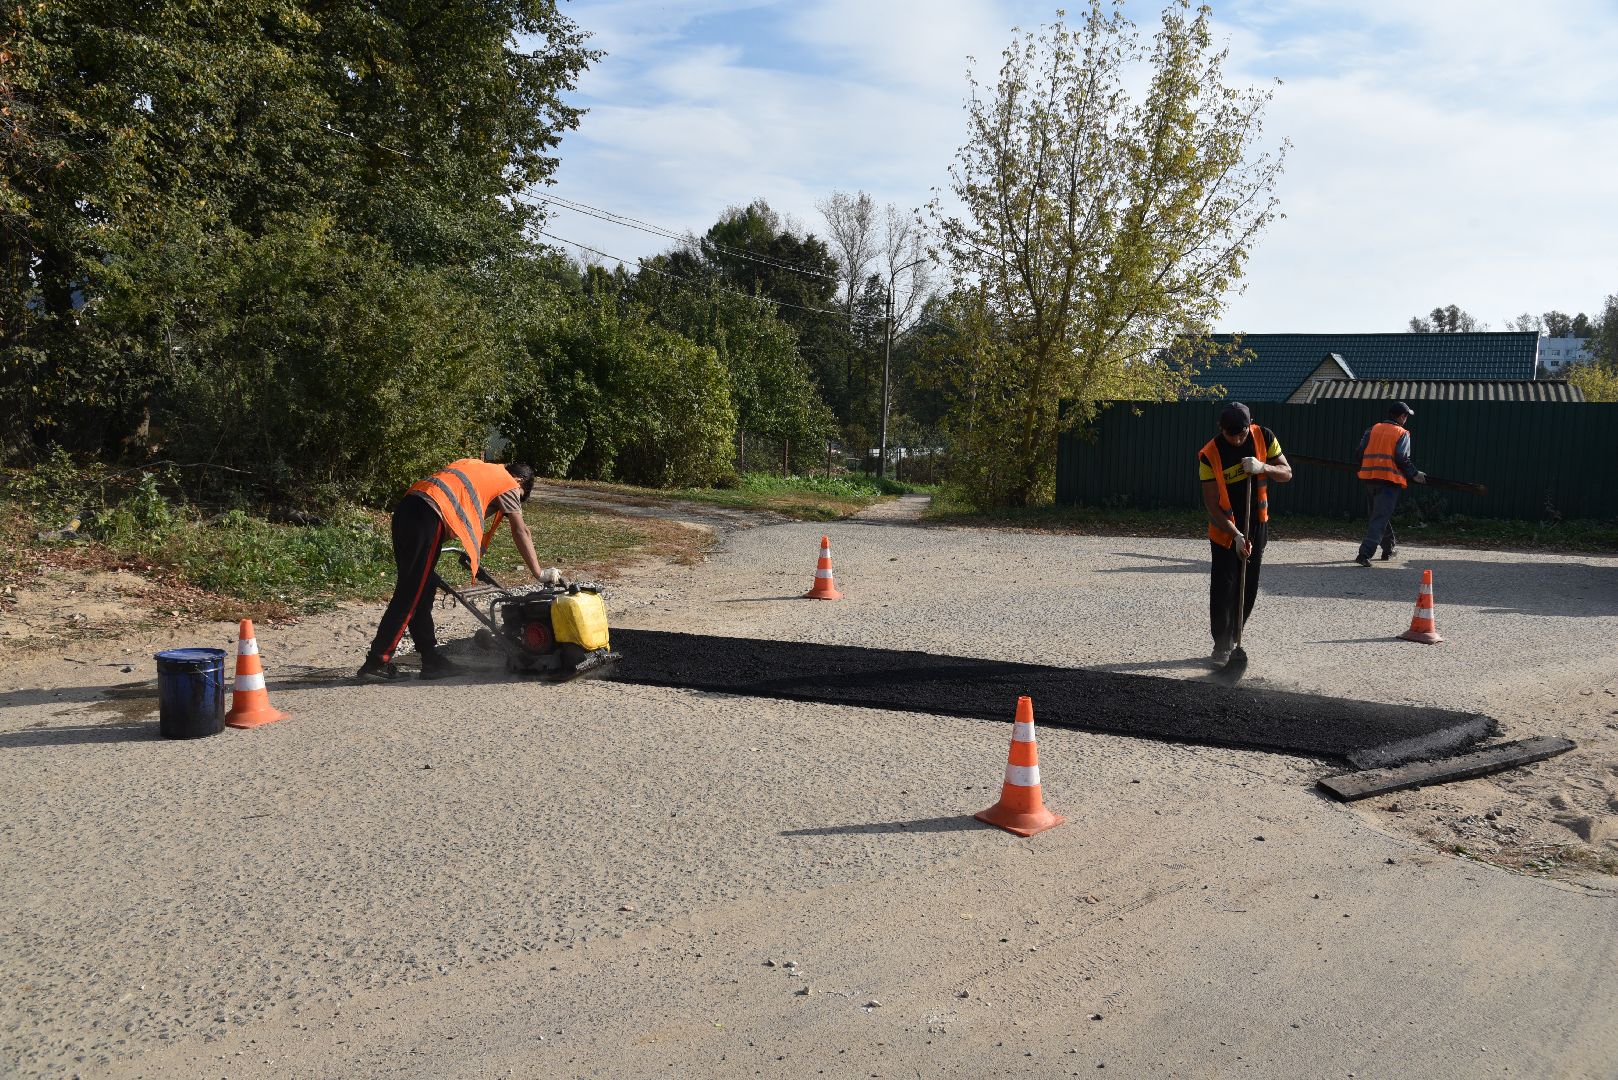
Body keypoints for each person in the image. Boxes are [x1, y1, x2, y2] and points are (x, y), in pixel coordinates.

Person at [358, 459, 546, 681]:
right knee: (410, 594)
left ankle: (431, 661)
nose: (508, 509)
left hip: (409, 510)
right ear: (520, 481)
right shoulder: (508, 483)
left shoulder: (481, 468)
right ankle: (376, 662)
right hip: (428, 515)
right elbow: (521, 530)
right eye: (519, 498)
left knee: (423, 590)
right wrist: (539, 573)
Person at [1199, 402, 1293, 665]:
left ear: (1250, 424)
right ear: (1221, 429)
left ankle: (1236, 638)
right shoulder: (1210, 454)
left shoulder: (1265, 437)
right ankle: (1221, 645)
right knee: (1224, 586)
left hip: (1257, 524)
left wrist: (1263, 467)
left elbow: (1286, 473)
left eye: (1241, 433)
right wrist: (1236, 535)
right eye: (1231, 435)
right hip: (1225, 529)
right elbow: (1212, 506)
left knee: (1248, 585)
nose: (1238, 439)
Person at [1353, 402, 1426, 567]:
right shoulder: (1402, 433)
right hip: (1389, 481)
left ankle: (1389, 549)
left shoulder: (1372, 429)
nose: (1406, 419)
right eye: (1406, 416)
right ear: (1402, 417)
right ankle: (1364, 554)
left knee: (1378, 515)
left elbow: (1359, 453)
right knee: (1380, 517)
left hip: (1370, 478)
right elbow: (1401, 457)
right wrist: (1415, 474)